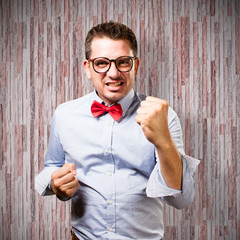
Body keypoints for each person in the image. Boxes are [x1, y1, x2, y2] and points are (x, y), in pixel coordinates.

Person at [35, 21, 199, 240]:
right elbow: (51, 166)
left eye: (123, 62)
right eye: (101, 63)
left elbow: (181, 200)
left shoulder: (164, 116)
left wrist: (163, 142)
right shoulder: (64, 114)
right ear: (87, 68)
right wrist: (54, 183)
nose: (113, 73)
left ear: (136, 65)